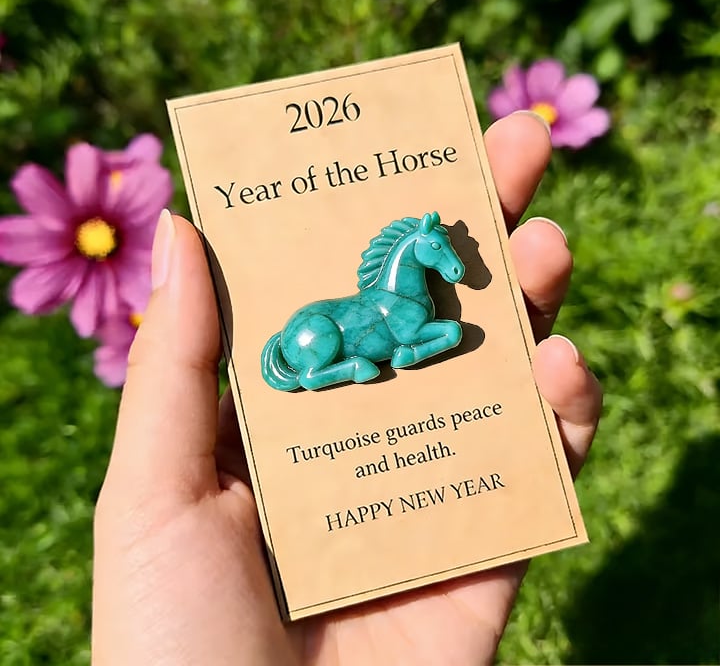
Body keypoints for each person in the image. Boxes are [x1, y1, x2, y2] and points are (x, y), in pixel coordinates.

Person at [92, 112, 602, 665]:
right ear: (417, 250)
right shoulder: (381, 309)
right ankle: (326, 371)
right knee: (447, 332)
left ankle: (377, 359)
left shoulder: (401, 297)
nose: (448, 264)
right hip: (326, 358)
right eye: (437, 253)